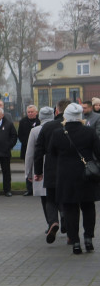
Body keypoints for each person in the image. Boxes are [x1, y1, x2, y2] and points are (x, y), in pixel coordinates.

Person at [47, 102, 100, 254]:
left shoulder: (58, 133)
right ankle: (88, 238)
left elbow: (52, 153)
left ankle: (75, 242)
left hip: (66, 177)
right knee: (88, 207)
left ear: (66, 116)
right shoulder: (89, 132)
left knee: (70, 209)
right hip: (87, 175)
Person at [34, 99, 70, 242]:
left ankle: (53, 221)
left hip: (51, 167)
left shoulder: (48, 127)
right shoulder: (75, 126)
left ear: (56, 110)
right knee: (69, 199)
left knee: (51, 198)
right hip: (69, 168)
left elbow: (38, 151)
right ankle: (69, 229)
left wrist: (38, 172)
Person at [25, 107, 60, 243]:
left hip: (41, 167)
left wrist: (28, 171)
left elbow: (30, 153)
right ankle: (63, 220)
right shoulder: (59, 127)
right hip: (57, 166)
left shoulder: (35, 130)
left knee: (46, 199)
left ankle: (50, 223)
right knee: (59, 196)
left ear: (39, 117)